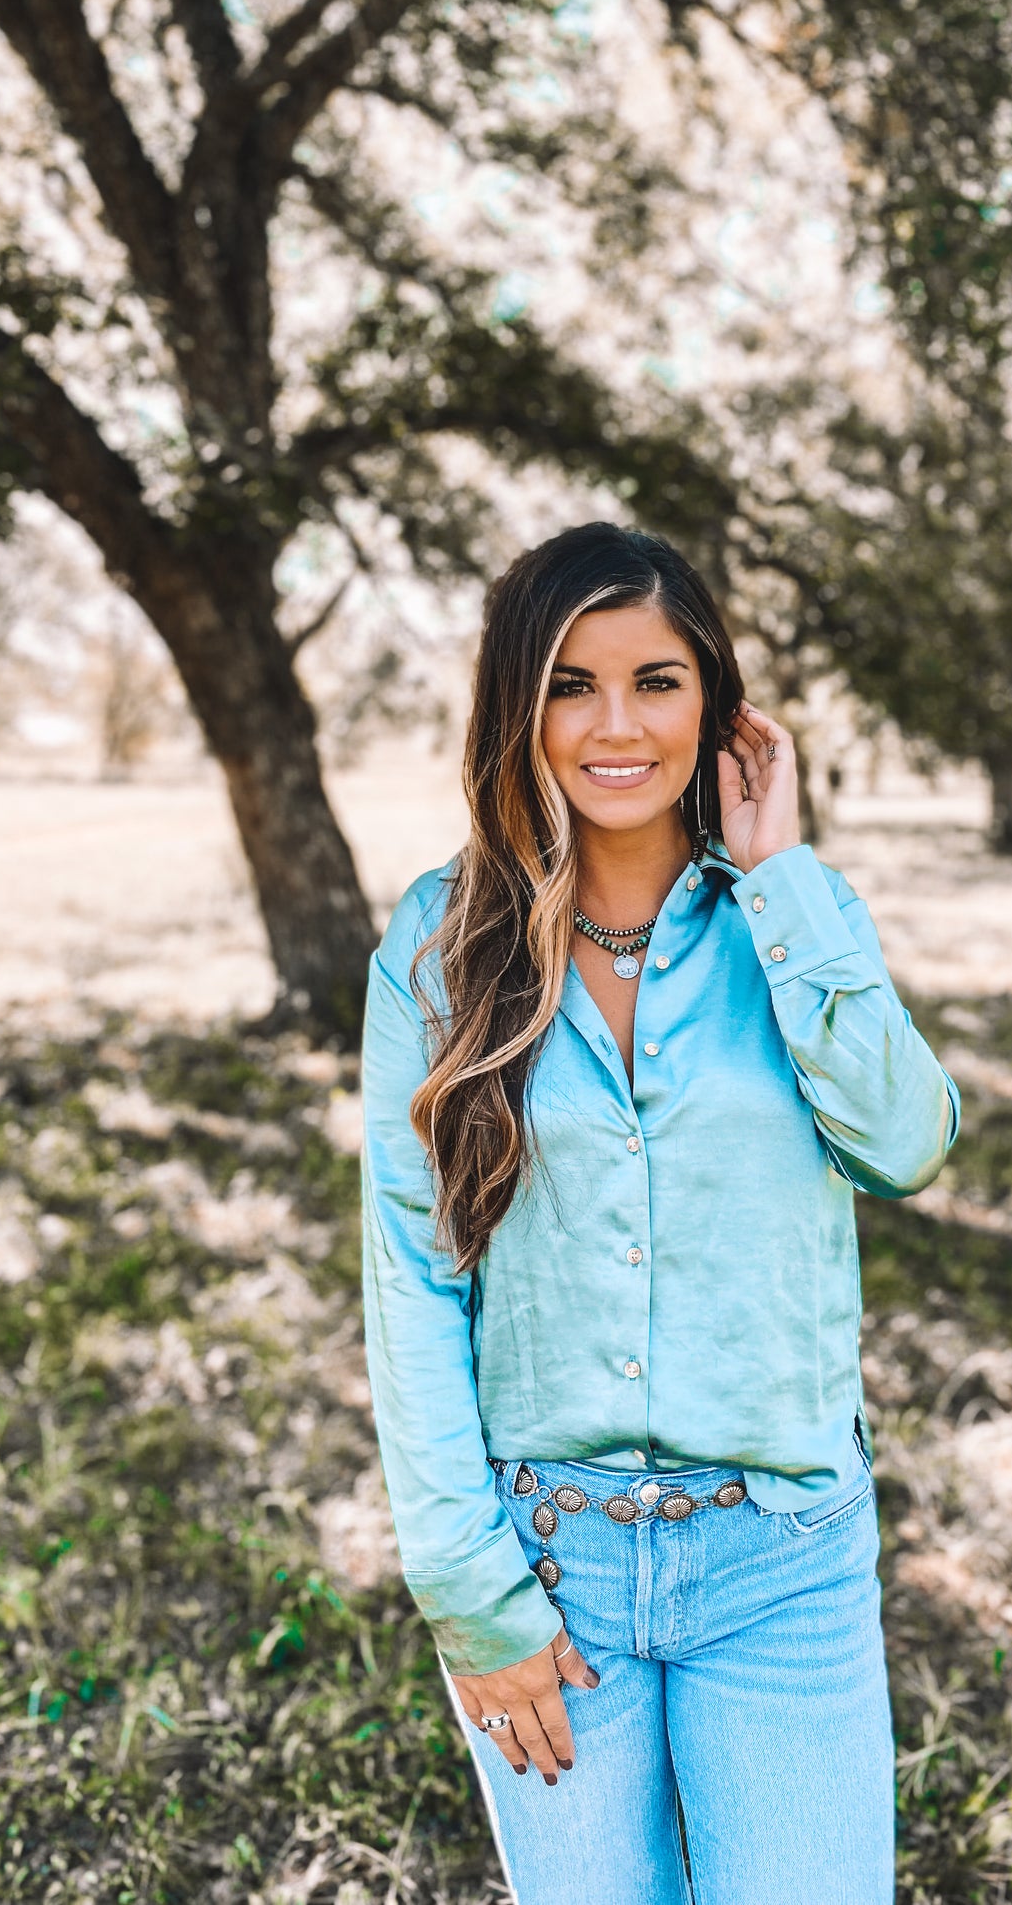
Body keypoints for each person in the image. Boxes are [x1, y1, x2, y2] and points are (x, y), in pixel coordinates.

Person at [360, 523, 959, 1905]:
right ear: (517, 710)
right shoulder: (437, 947)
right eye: (571, 684)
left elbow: (905, 1145)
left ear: (716, 703)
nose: (614, 725)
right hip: (546, 1571)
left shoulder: (794, 921)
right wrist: (469, 1595)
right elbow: (412, 1276)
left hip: (783, 1562)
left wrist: (782, 873)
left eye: (657, 681)